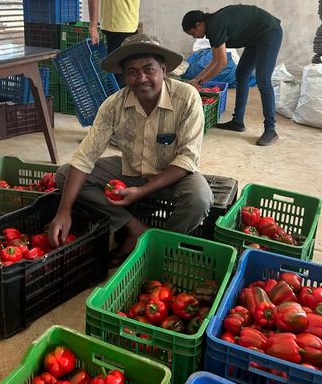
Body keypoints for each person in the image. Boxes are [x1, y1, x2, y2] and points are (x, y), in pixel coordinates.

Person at [47, 33, 214, 267]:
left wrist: (143, 191)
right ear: (124, 75)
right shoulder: (113, 105)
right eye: (132, 72)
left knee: (200, 198)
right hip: (131, 171)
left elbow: (187, 159)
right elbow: (85, 157)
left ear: (163, 70)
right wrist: (64, 210)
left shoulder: (186, 98)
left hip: (173, 175)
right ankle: (137, 230)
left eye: (149, 69)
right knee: (65, 175)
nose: (141, 78)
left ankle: (162, 244)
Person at [182, 5, 283, 146]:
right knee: (241, 74)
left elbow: (222, 63)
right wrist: (197, 80)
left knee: (263, 80)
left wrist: (199, 82)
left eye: (193, 33)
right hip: (255, 38)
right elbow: (215, 60)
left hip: (269, 32)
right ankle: (238, 121)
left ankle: (270, 129)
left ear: (199, 24)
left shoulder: (215, 26)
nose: (194, 37)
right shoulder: (212, 28)